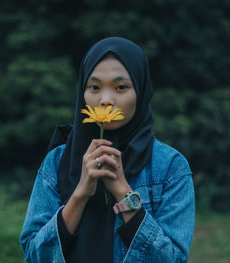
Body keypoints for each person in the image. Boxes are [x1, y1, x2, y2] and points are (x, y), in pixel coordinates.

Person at [20, 37, 195, 263]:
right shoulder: (57, 161)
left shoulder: (171, 167)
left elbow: (173, 259)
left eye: (120, 87)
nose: (105, 100)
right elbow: (34, 256)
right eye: (94, 87)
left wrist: (123, 191)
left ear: (140, 92)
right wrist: (81, 192)